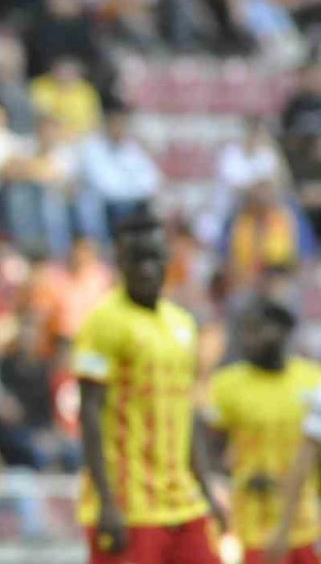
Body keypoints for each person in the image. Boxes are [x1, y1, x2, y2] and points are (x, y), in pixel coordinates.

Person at [74, 208, 226, 564]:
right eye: (136, 259)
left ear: (167, 261)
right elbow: (90, 411)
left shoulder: (182, 324)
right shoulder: (103, 322)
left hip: (183, 502)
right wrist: (107, 502)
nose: (146, 269)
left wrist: (207, 490)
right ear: (120, 262)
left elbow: (187, 413)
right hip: (130, 507)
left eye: (153, 258)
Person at [206, 298, 321, 564]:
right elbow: (209, 443)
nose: (249, 339)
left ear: (282, 332)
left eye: (257, 330)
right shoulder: (227, 384)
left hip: (306, 520)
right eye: (246, 331)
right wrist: (222, 481)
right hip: (251, 522)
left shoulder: (312, 380)